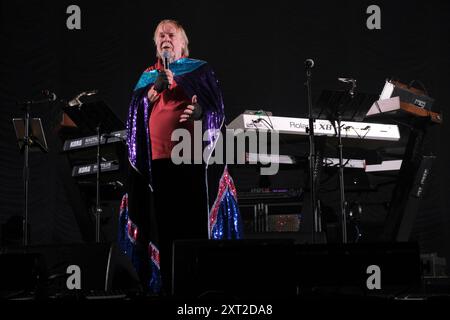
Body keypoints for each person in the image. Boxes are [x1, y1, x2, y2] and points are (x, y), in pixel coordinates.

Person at [118, 19, 242, 295]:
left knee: (192, 228)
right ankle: (168, 286)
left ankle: (198, 289)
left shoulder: (199, 70)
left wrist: (199, 114)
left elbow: (215, 110)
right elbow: (134, 117)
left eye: (171, 34)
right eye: (160, 35)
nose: (165, 38)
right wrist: (153, 92)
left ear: (183, 44)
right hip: (157, 168)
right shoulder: (148, 77)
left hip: (191, 163)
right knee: (165, 229)